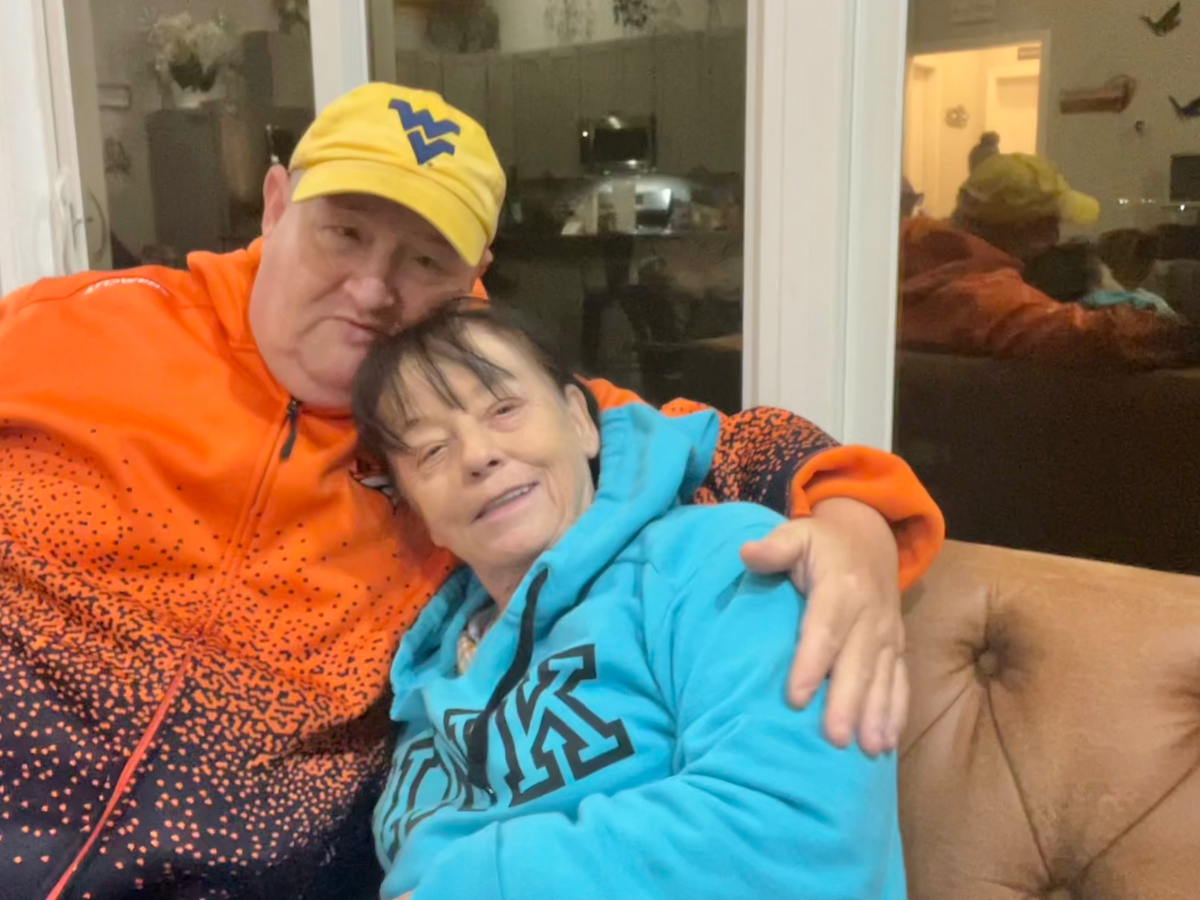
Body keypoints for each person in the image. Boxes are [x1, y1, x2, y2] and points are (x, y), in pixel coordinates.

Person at [0, 83, 941, 900]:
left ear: (472, 283)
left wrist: (853, 514)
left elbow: (709, 444)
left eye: (425, 261)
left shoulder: (487, 406)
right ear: (276, 206)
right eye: (344, 233)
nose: (373, 288)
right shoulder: (78, 331)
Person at [355, 303, 907, 900]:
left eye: (504, 408)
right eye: (432, 450)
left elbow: (805, 837)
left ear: (580, 421)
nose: (476, 455)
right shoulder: (426, 682)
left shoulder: (723, 560)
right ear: (418, 514)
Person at [900, 153, 1196, 367]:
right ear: (1022, 230)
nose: (1056, 237)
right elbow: (1090, 335)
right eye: (1050, 225)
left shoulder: (903, 243)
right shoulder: (984, 295)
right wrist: (1183, 334)